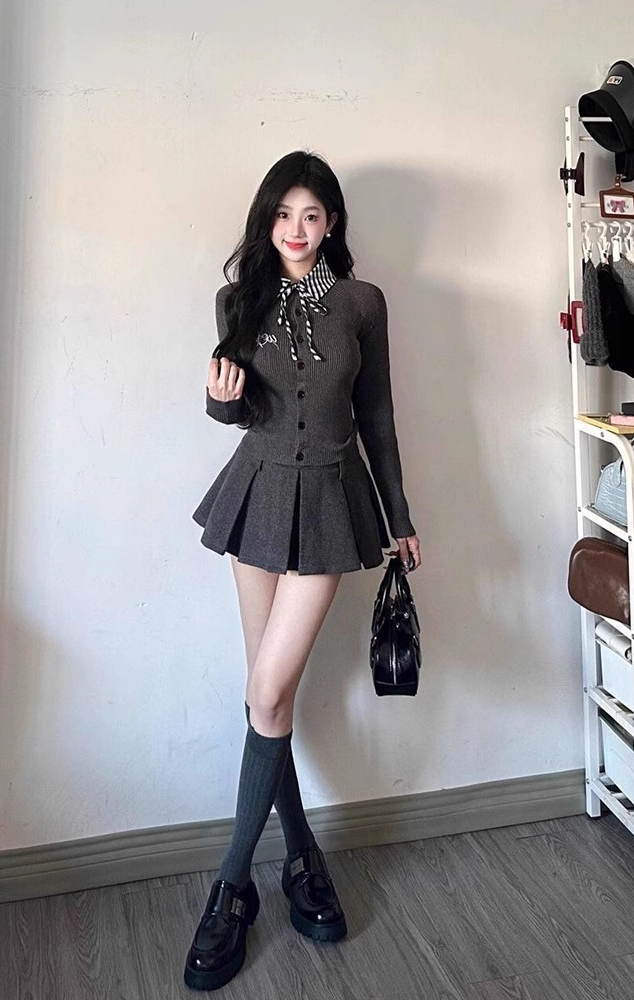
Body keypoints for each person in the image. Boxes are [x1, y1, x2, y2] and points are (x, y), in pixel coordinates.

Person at [184, 150, 421, 991]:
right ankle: (303, 861)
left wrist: (399, 517)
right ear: (267, 220)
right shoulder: (237, 299)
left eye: (312, 215)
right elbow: (237, 407)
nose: (296, 229)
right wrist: (218, 401)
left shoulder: (362, 302)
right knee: (269, 696)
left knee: (266, 691)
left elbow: (377, 414)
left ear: (331, 224)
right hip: (255, 496)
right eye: (283, 214)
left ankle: (232, 887)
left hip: (329, 500)